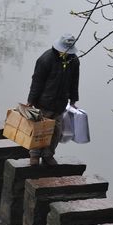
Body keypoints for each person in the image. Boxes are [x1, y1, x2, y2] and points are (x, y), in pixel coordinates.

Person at [26, 34, 80, 166]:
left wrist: (73, 100)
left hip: (60, 104)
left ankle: (48, 155)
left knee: (56, 131)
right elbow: (37, 81)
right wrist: (31, 100)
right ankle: (34, 155)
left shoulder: (74, 61)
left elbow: (74, 82)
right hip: (43, 103)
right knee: (39, 130)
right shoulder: (46, 59)